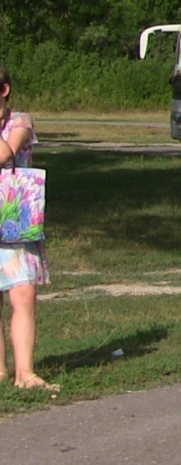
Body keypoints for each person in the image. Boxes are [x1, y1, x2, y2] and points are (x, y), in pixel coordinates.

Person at [0, 68, 52, 390]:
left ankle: (26, 372)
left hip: (15, 220)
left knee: (23, 294)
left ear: (4, 90)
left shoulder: (21, 121)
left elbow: (5, 153)